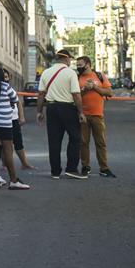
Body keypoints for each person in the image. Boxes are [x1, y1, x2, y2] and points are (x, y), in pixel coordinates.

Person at [36, 49, 88, 180]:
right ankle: (71, 169)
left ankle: (55, 171)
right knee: (75, 137)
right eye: (70, 59)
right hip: (68, 109)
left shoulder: (46, 72)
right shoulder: (71, 73)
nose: (70, 61)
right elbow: (76, 94)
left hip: (52, 109)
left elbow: (41, 94)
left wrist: (39, 111)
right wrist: (81, 112)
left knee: (54, 141)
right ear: (66, 59)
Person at [0, 68, 30, 190]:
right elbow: (15, 100)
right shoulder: (6, 87)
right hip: (4, 122)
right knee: (8, 150)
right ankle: (13, 180)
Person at [76, 56, 115, 177]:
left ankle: (104, 168)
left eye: (80, 64)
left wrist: (94, 87)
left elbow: (109, 92)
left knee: (101, 142)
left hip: (98, 115)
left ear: (88, 64)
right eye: (77, 65)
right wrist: (84, 89)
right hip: (83, 115)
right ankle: (85, 166)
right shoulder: (76, 78)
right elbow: (74, 96)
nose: (78, 67)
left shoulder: (99, 76)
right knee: (83, 142)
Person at [0, 69, 35, 170]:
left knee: (18, 142)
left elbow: (18, 103)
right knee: (3, 144)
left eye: (6, 77)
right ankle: (5, 164)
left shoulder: (11, 89)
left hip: (14, 119)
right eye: (3, 77)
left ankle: (24, 163)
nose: (5, 79)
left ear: (9, 78)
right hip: (3, 120)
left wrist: (21, 117)